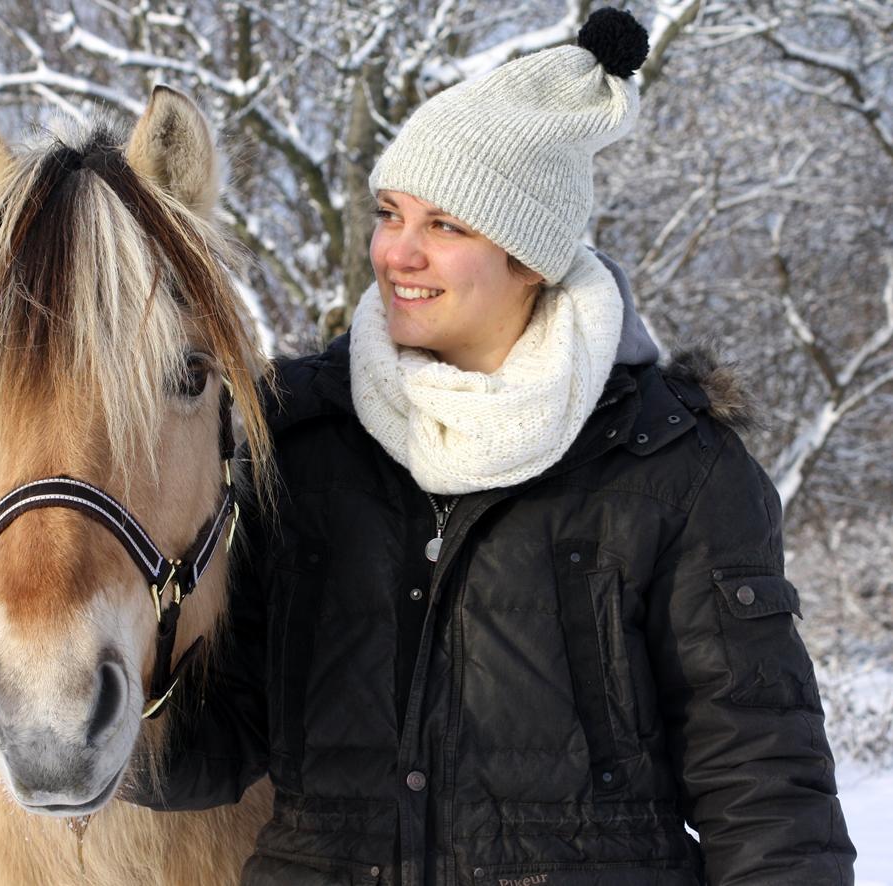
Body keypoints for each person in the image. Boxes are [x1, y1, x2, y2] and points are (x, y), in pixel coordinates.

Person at [132, 9, 856, 885]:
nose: (398, 251)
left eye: (446, 225)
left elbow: (764, 788)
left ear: (530, 258)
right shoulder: (304, 444)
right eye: (390, 212)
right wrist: (106, 686)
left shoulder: (673, 467)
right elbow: (219, 741)